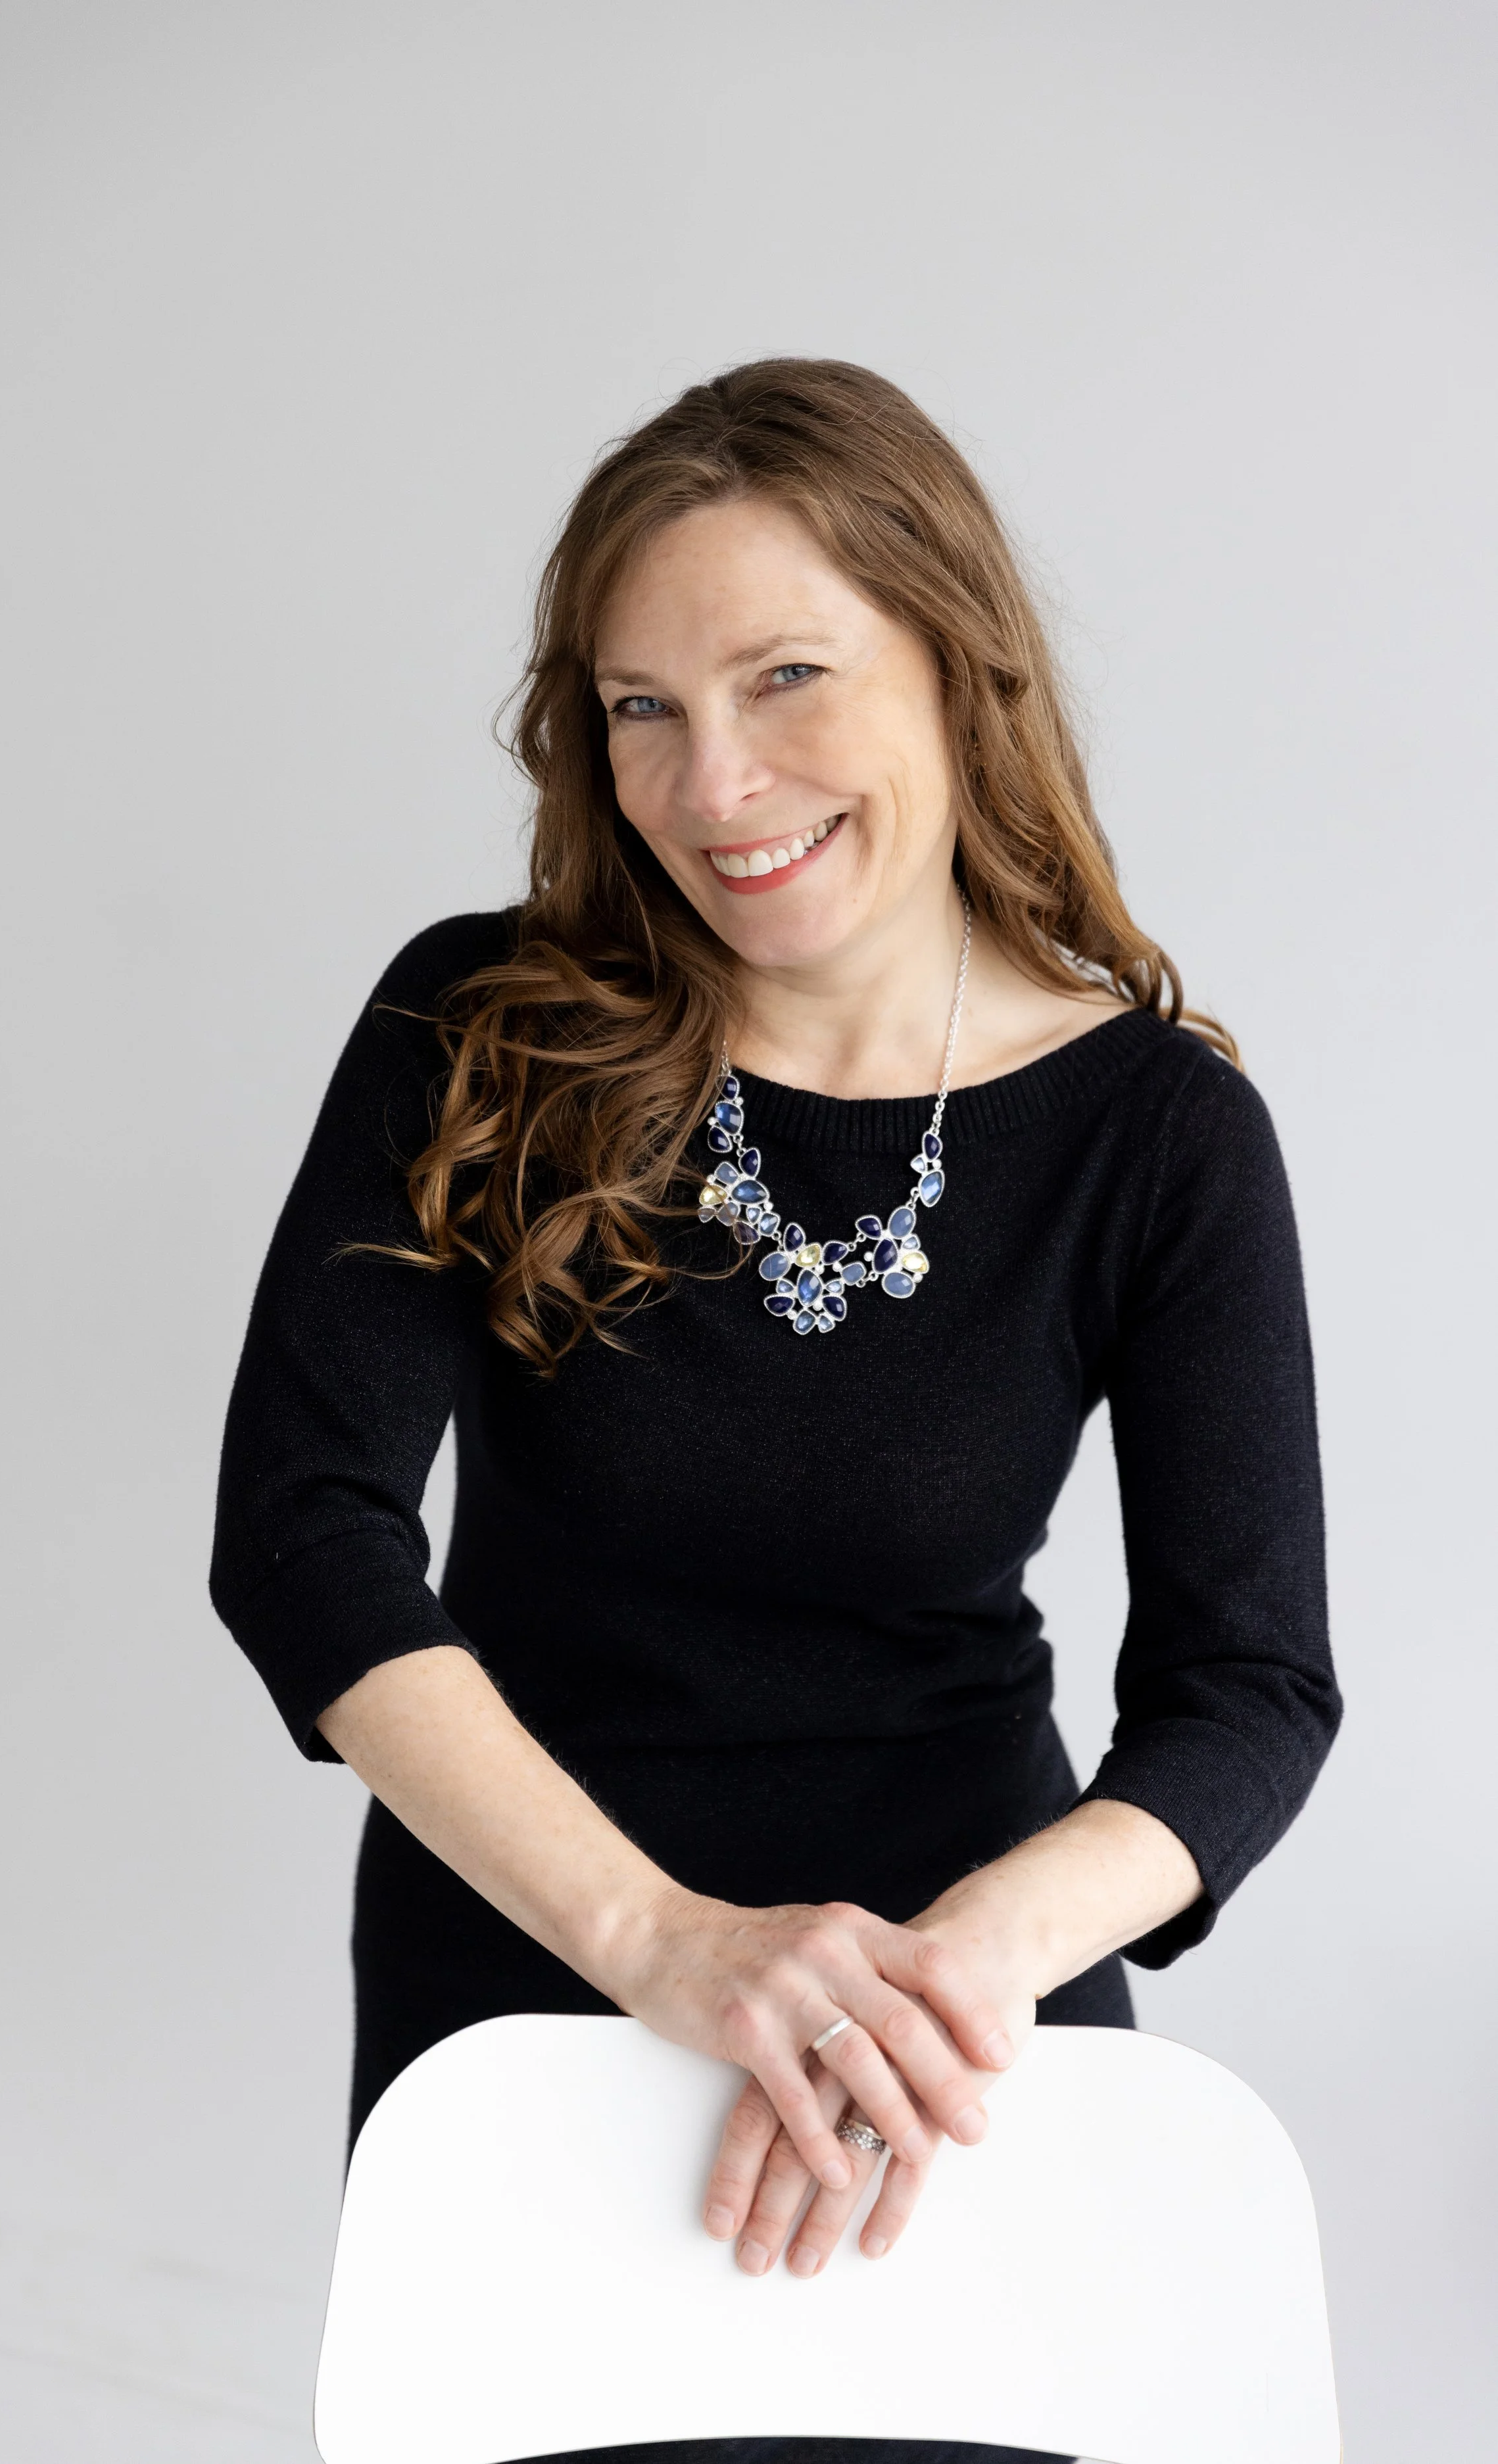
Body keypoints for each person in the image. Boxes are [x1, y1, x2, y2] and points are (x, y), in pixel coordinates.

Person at [210, 359, 1339, 2464]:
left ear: (954, 663)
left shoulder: (1160, 1132)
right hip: (533, 1946)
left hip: (962, 2024)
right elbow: (305, 1530)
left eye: (785, 675)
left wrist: (933, 1982)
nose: (710, 780)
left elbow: (1248, 1692)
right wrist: (664, 1941)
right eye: (640, 704)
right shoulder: (476, 1024)